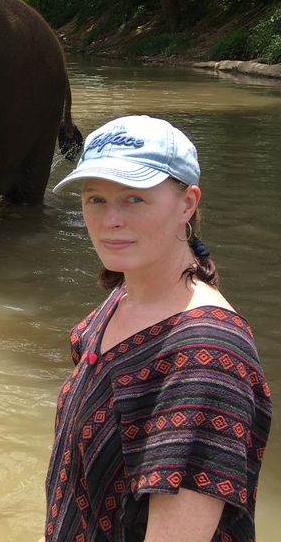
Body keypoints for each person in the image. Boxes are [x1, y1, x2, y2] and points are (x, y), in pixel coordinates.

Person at [44, 115, 271, 542]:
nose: (110, 219)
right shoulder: (123, 300)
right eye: (95, 199)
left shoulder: (208, 358)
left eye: (134, 198)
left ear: (187, 203)